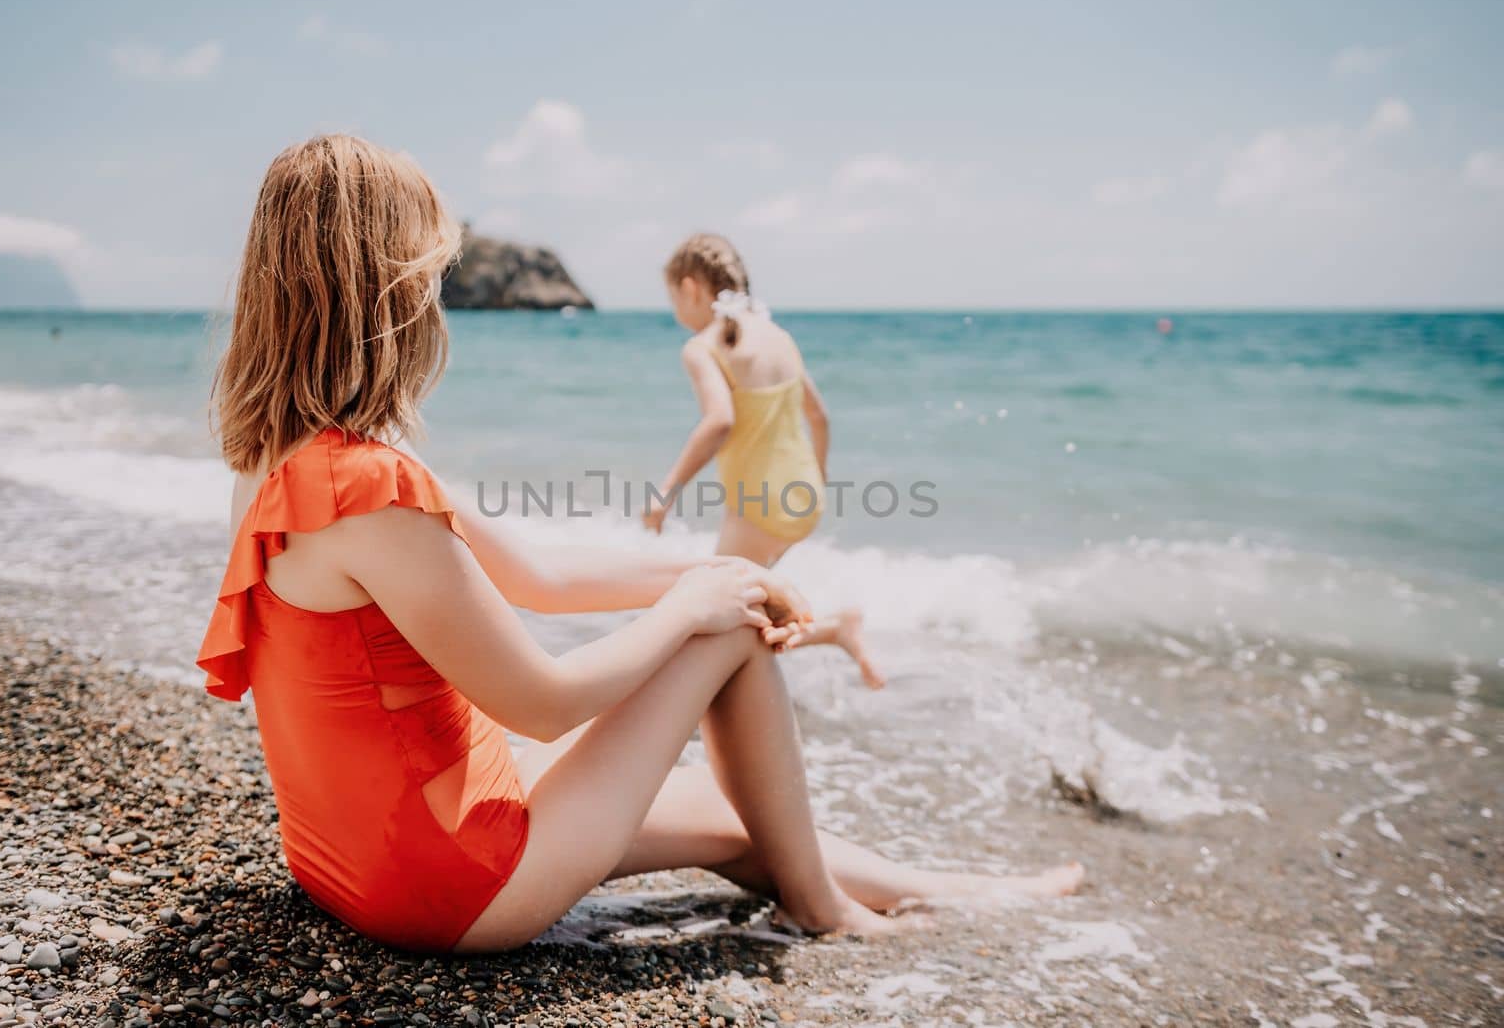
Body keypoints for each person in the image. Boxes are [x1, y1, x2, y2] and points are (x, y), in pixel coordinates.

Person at [198, 135, 1083, 954]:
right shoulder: (366, 490)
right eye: (429, 275)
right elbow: (543, 702)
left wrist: (717, 566)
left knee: (742, 821)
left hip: (349, 853)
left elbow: (542, 575)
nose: (437, 298)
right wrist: (697, 607)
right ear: (386, 291)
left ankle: (961, 888)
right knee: (727, 632)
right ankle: (821, 908)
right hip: (447, 881)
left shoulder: (284, 462)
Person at [646, 234, 884, 689]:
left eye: (674, 298)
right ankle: (835, 629)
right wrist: (819, 476)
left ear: (691, 288)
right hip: (802, 497)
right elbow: (820, 416)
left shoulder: (704, 346)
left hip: (759, 507)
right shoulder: (779, 336)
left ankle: (700, 719)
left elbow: (719, 422)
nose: (677, 312)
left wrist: (665, 494)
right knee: (748, 614)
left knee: (707, 618)